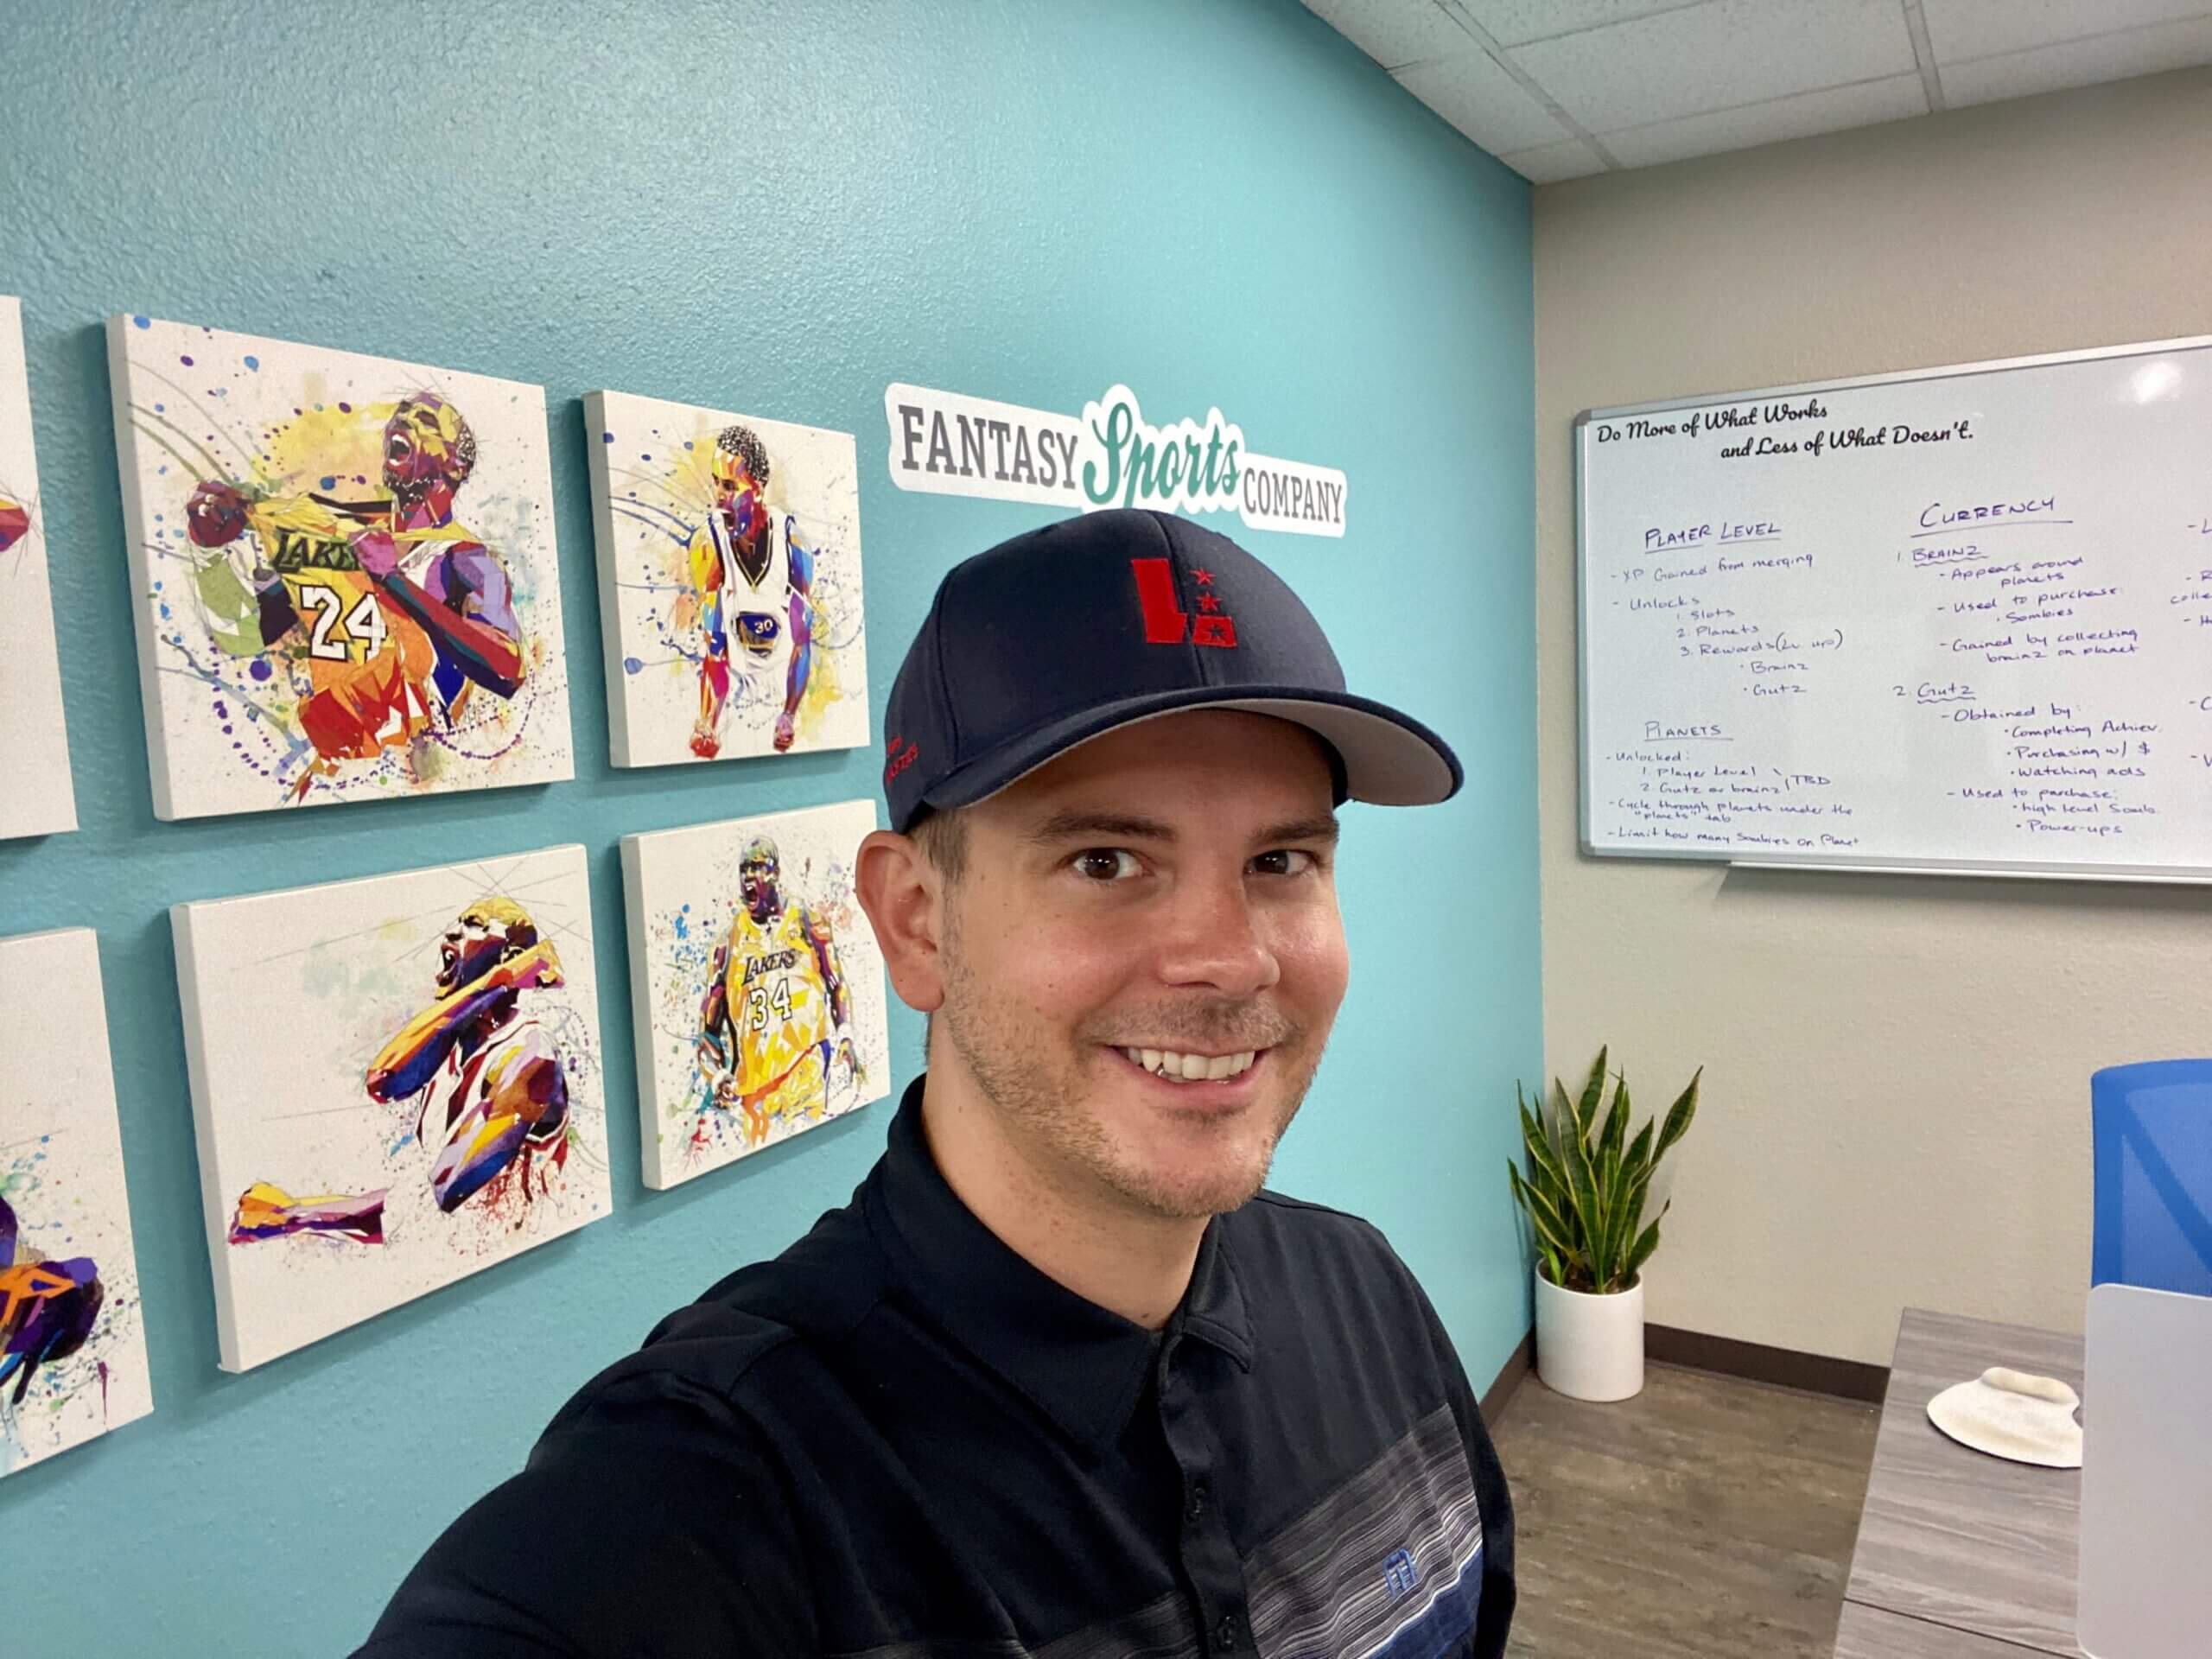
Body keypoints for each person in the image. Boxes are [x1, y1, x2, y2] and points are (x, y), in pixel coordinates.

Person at [354, 509, 1515, 1657]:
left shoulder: (1365, 1292)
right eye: (1105, 861)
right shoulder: (712, 1493)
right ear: (915, 920)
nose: (1230, 957)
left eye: (1280, 861)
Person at [185, 392, 527, 801]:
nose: (404, 421)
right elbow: (246, 636)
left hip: (412, 777)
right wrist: (209, 553)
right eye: (400, 416)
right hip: (328, 779)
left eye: (425, 421)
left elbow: (507, 671)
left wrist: (393, 580)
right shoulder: (328, 530)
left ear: (454, 463)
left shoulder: (467, 558)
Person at [364, 897, 572, 1211]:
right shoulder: (450, 1047)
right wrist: (499, 980)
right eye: (456, 924)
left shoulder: (532, 1051)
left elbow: (448, 1186)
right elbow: (382, 1083)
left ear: (512, 956)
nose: (451, 934)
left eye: (474, 925)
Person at [696, 833, 861, 1148]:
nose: (748, 877)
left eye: (757, 867)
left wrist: (846, 1034)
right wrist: (717, 1076)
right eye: (744, 869)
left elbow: (837, 983)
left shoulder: (806, 922)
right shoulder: (727, 942)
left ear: (776, 873)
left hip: (806, 1068)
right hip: (754, 1092)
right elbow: (708, 1034)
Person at [686, 424, 817, 759]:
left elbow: (802, 642)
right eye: (716, 483)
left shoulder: (793, 544)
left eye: (729, 486)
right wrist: (707, 722)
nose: (718, 497)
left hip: (782, 697)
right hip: (733, 698)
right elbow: (715, 649)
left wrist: (789, 713)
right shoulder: (708, 545)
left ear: (757, 489)